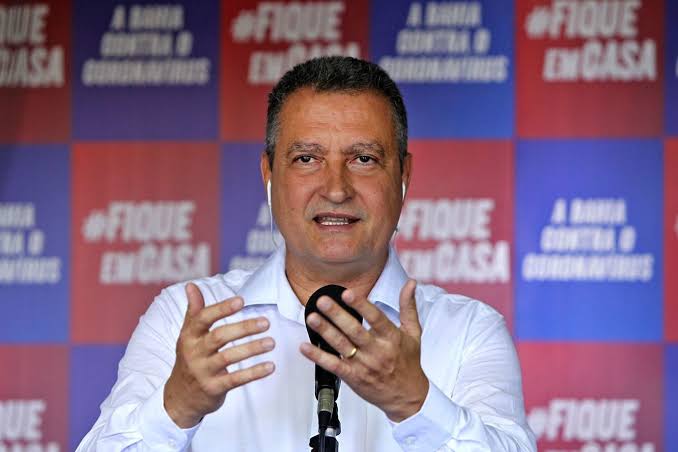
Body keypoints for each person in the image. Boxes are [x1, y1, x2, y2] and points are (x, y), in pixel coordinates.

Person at [77, 56, 536, 452]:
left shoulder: (469, 331)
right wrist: (176, 407)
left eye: (363, 159)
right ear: (268, 174)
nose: (335, 189)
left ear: (404, 176)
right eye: (306, 159)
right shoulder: (187, 319)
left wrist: (416, 403)